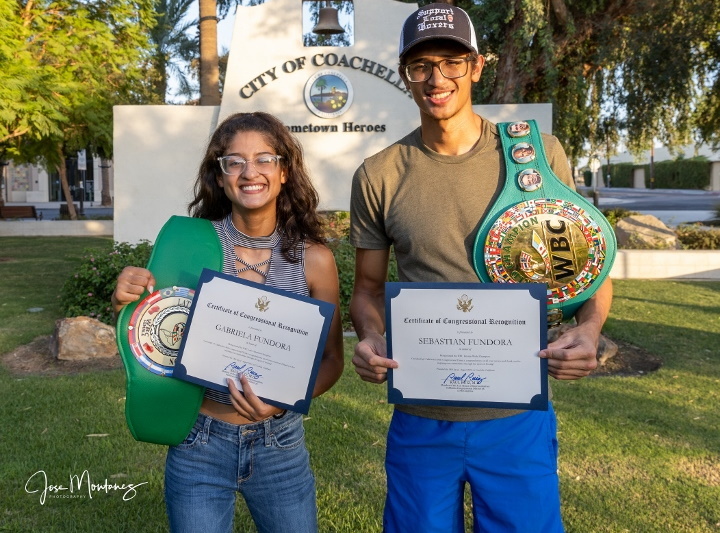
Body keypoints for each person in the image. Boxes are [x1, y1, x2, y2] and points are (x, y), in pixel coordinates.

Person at [349, 4, 613, 532]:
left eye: (451, 61)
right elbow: (368, 289)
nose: (436, 77)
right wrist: (372, 336)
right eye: (421, 65)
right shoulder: (378, 174)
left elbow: (586, 270)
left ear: (476, 66)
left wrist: (588, 329)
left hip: (516, 417)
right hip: (422, 415)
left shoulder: (534, 157)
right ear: (406, 74)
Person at [111, 112, 344, 533]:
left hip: (280, 443)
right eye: (234, 162)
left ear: (285, 171)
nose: (249, 172)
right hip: (198, 438)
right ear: (219, 177)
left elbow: (331, 360)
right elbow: (152, 327)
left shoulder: (315, 260)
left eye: (264, 159)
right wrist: (126, 299)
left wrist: (281, 401)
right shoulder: (189, 246)